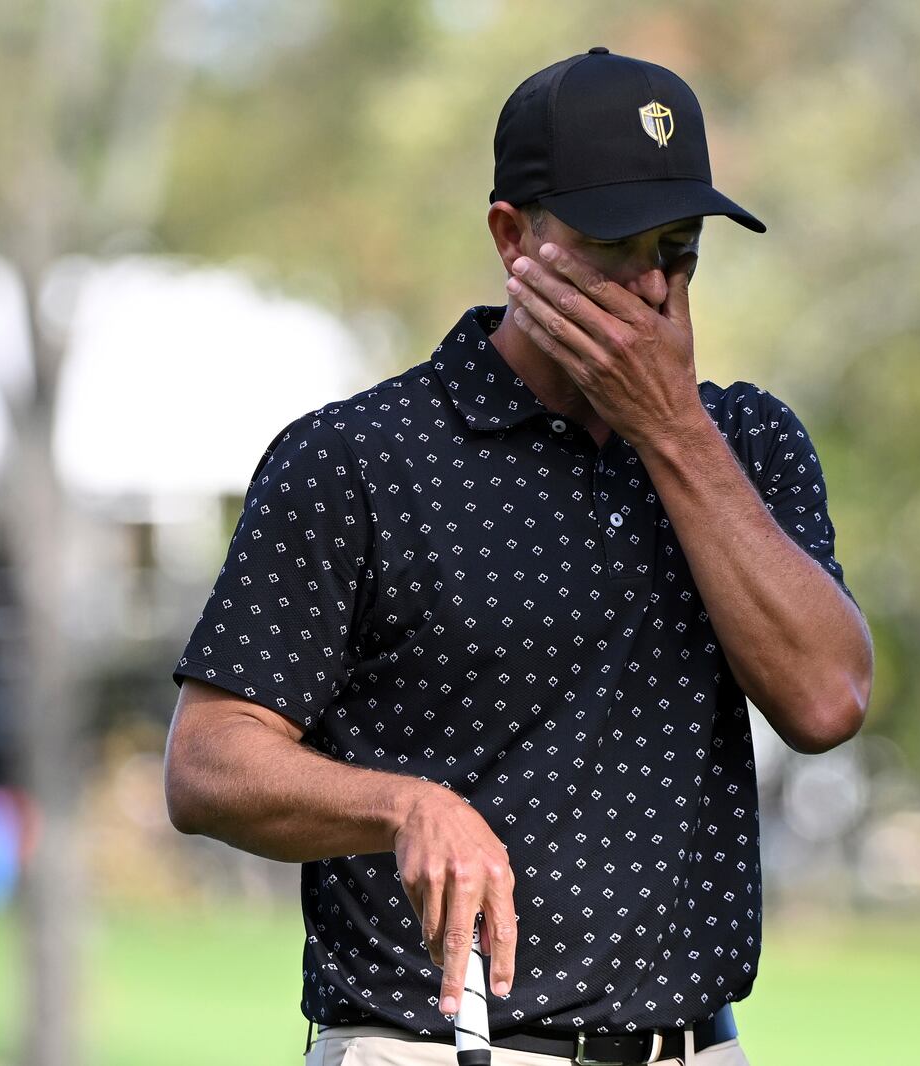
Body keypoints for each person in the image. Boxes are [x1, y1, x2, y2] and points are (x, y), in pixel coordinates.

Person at [163, 46, 874, 1066]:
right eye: (615, 246)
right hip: (434, 1046)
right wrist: (399, 802)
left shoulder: (746, 447)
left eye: (678, 250)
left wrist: (671, 431)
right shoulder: (358, 459)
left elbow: (827, 701)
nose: (652, 288)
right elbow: (206, 762)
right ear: (512, 236)